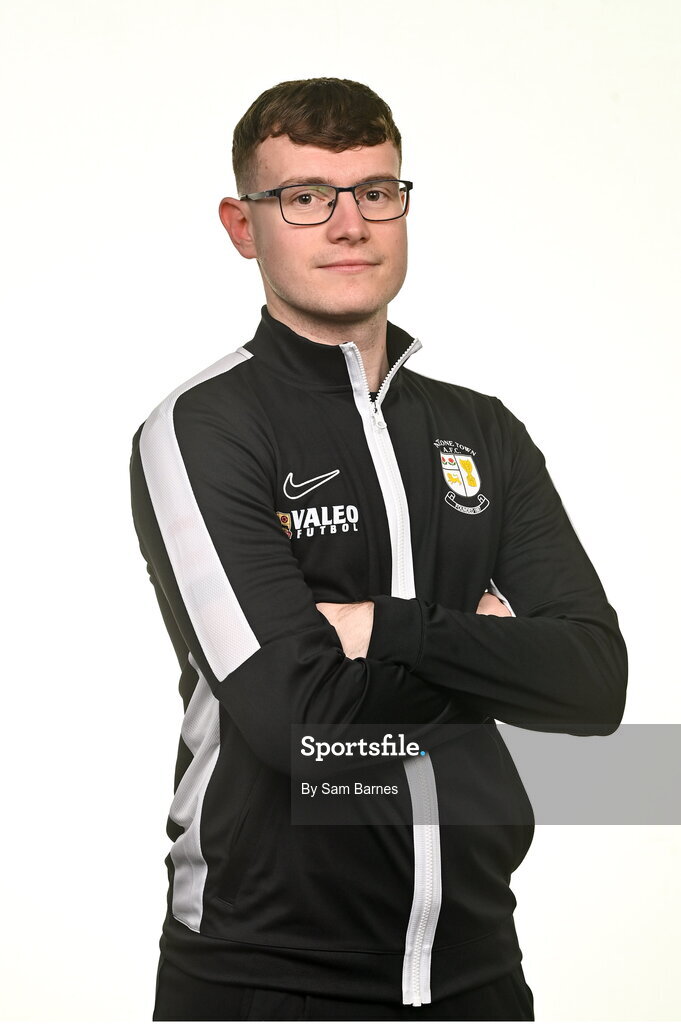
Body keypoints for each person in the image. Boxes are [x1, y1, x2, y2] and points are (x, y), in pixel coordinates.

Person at [129, 77, 627, 1021]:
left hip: (477, 966)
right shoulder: (203, 429)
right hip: (261, 970)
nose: (348, 223)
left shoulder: (486, 432)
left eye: (376, 191)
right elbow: (293, 722)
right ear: (245, 226)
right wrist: (488, 653)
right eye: (305, 197)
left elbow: (595, 683)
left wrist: (381, 628)